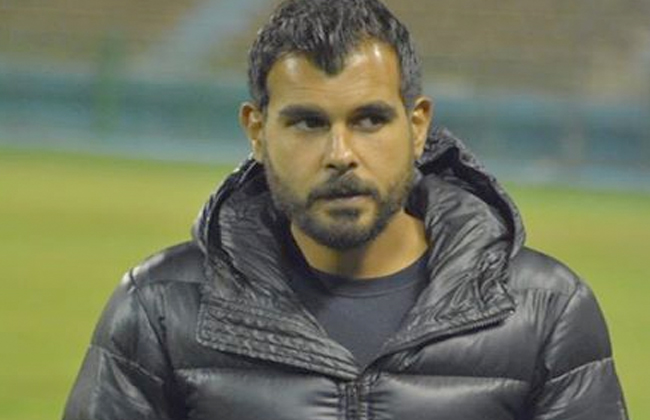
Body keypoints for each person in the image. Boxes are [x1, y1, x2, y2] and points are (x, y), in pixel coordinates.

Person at [63, 0, 628, 419]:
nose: (341, 154)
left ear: (417, 126)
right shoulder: (160, 307)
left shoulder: (544, 312)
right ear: (257, 131)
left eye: (370, 120)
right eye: (308, 123)